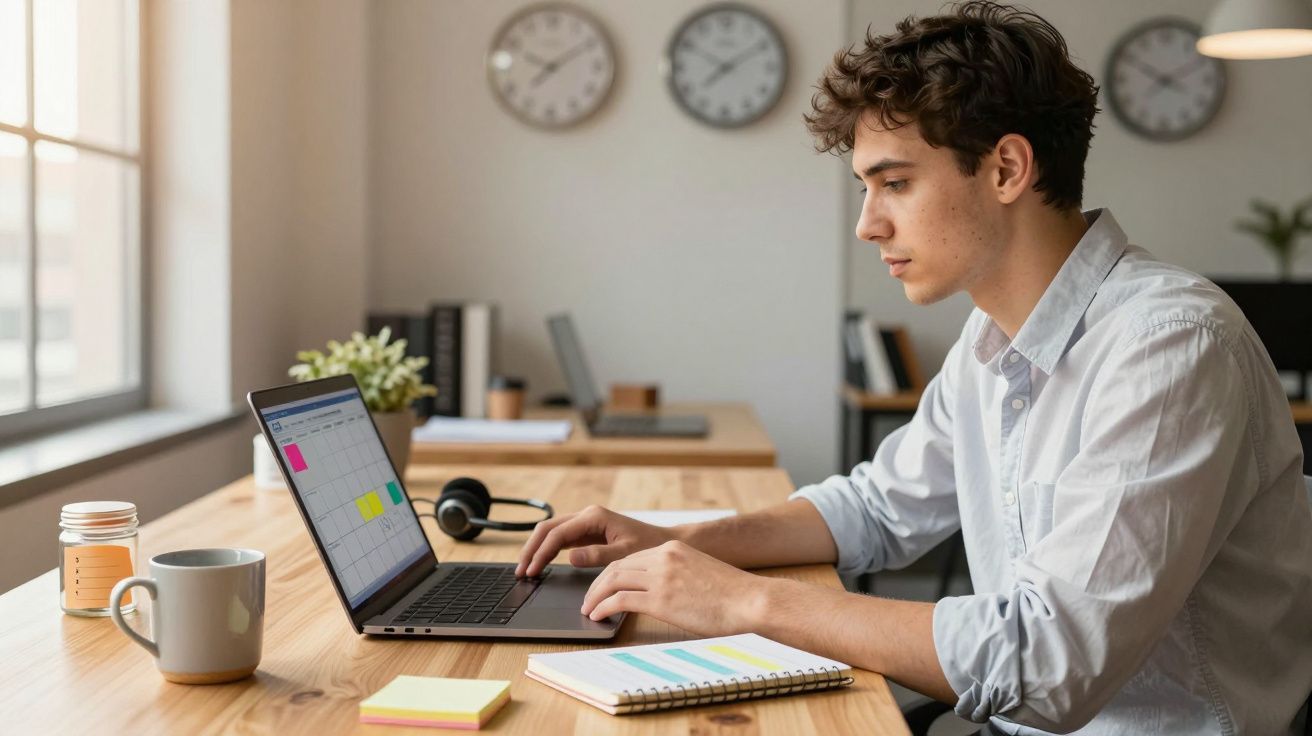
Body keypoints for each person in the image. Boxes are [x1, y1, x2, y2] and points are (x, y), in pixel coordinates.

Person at [516, 3, 1312, 733]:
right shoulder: (989, 338)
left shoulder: (1169, 344)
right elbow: (877, 510)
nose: (869, 224)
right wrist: (677, 540)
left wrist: (744, 601)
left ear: (1006, 169)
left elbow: (1052, 663)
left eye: (894, 183)